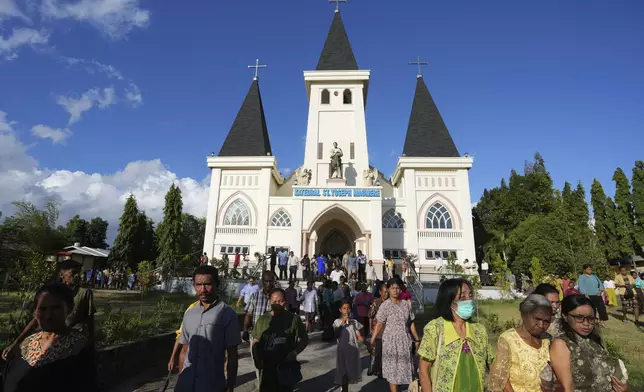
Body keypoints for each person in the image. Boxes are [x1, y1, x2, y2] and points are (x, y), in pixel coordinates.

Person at [2, 283, 96, 392]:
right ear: (35, 311)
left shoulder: (80, 348)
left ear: (69, 309)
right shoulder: (25, 345)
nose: (48, 315)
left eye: (56, 308)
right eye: (42, 309)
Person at [2, 260, 95, 361]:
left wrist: (91, 343)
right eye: (73, 273)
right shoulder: (50, 293)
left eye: (79, 273)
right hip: (49, 340)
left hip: (70, 343)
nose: (77, 276)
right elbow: (36, 319)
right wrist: (16, 342)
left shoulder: (84, 293)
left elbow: (89, 319)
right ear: (62, 275)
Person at [174, 265, 240, 392]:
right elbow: (184, 351)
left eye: (207, 284)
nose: (203, 289)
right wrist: (180, 379)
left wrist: (230, 385)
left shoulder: (227, 314)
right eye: (198, 285)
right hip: (186, 385)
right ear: (194, 285)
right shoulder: (189, 314)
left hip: (211, 385)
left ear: (217, 284)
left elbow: (232, 355)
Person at [417, 278, 490, 392]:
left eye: (470, 295)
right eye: (462, 297)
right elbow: (423, 369)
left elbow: (493, 363)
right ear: (449, 302)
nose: (469, 300)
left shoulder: (479, 330)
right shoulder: (435, 329)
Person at [549, 294, 629, 392]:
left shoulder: (594, 340)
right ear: (565, 316)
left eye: (591, 319)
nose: (586, 323)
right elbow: (566, 388)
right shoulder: (561, 344)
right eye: (579, 317)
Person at [489, 294, 552, 392]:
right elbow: (502, 379)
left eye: (546, 321)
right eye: (537, 319)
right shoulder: (508, 339)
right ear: (524, 315)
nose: (541, 325)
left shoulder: (547, 339)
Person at [252, 288, 309, 392]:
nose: (277, 304)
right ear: (269, 302)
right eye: (274, 301)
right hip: (267, 370)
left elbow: (305, 339)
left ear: (285, 301)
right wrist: (257, 359)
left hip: (286, 368)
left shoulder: (294, 319)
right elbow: (255, 342)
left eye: (280, 301)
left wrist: (295, 353)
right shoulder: (263, 320)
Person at [370, 278, 421, 392]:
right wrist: (372, 340)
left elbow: (411, 322)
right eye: (392, 288)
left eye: (398, 288)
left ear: (401, 289)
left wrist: (416, 339)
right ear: (388, 289)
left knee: (404, 371)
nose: (395, 291)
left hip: (404, 341)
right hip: (390, 342)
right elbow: (379, 324)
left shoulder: (405, 305)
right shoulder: (385, 305)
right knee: (393, 372)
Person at [334, 299, 366, 392]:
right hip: (342, 353)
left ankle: (345, 389)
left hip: (352, 352)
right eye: (344, 308)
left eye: (348, 308)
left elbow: (359, 336)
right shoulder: (337, 322)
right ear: (340, 310)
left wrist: (368, 344)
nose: (346, 310)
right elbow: (336, 334)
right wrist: (343, 322)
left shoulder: (354, 322)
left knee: (350, 373)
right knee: (343, 373)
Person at [167, 300, 199, 373]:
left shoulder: (222, 311)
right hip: (188, 355)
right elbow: (181, 335)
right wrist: (172, 358)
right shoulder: (192, 308)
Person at [368, 281, 387, 378]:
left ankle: (383, 369)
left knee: (385, 351)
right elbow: (370, 316)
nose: (386, 293)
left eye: (387, 291)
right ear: (380, 292)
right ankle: (376, 369)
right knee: (377, 351)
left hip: (387, 332)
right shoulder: (376, 303)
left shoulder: (389, 303)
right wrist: (371, 328)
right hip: (378, 330)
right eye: (384, 292)